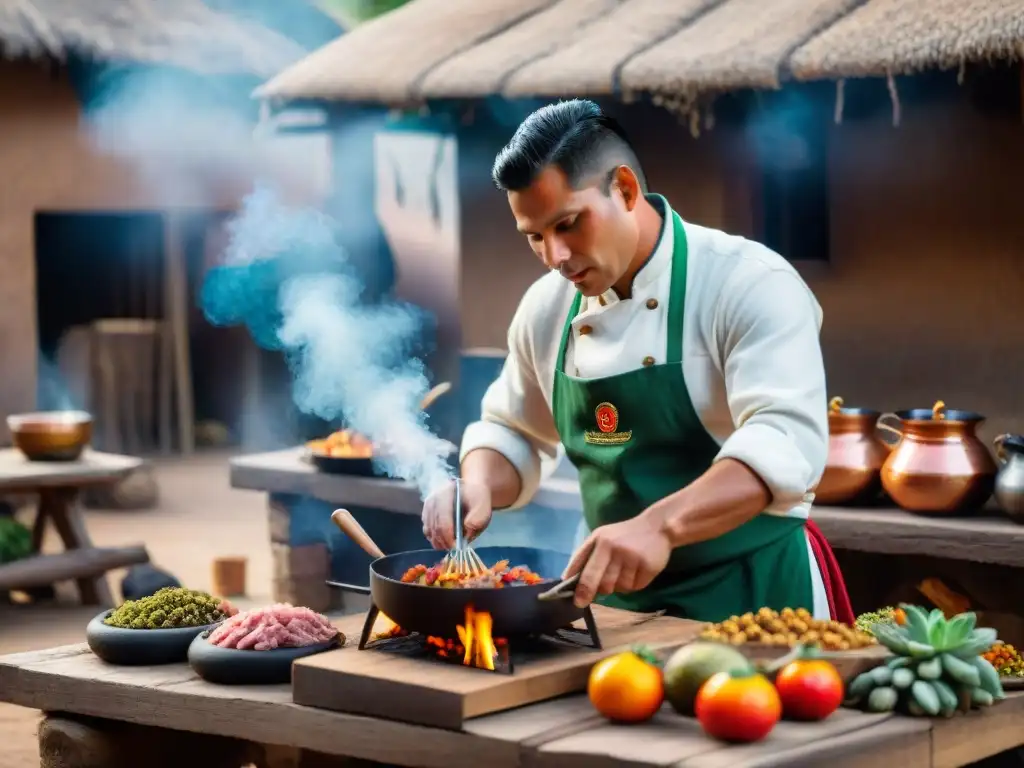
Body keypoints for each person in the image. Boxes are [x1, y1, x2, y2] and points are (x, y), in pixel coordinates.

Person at [421, 99, 853, 624]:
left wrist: (660, 527)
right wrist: (478, 486)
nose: (555, 257)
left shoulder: (749, 284)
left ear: (625, 189)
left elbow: (784, 443)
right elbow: (513, 432)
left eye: (569, 224)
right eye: (535, 236)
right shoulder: (546, 308)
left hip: (753, 595)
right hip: (609, 604)